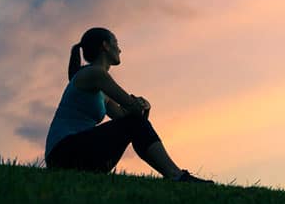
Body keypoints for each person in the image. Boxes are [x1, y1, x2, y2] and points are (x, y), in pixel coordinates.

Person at [44, 27, 213, 183]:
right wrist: (139, 105)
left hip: (74, 154)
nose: (119, 49)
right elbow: (131, 107)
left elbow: (126, 118)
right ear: (105, 46)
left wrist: (140, 110)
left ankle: (176, 175)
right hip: (64, 153)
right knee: (134, 124)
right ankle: (176, 175)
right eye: (116, 44)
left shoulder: (100, 90)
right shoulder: (95, 73)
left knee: (134, 124)